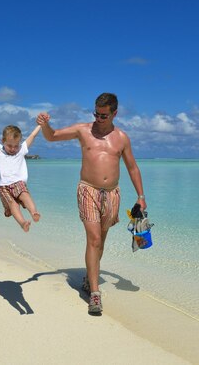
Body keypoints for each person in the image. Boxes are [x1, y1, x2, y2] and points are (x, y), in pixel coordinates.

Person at [37, 92, 146, 315]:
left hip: (112, 194)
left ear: (115, 113)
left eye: (104, 115)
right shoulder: (82, 130)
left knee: (101, 241)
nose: (98, 118)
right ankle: (95, 293)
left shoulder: (122, 138)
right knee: (94, 238)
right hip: (88, 190)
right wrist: (45, 125)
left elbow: (132, 167)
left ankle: (90, 278)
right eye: (96, 113)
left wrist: (141, 197)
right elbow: (53, 136)